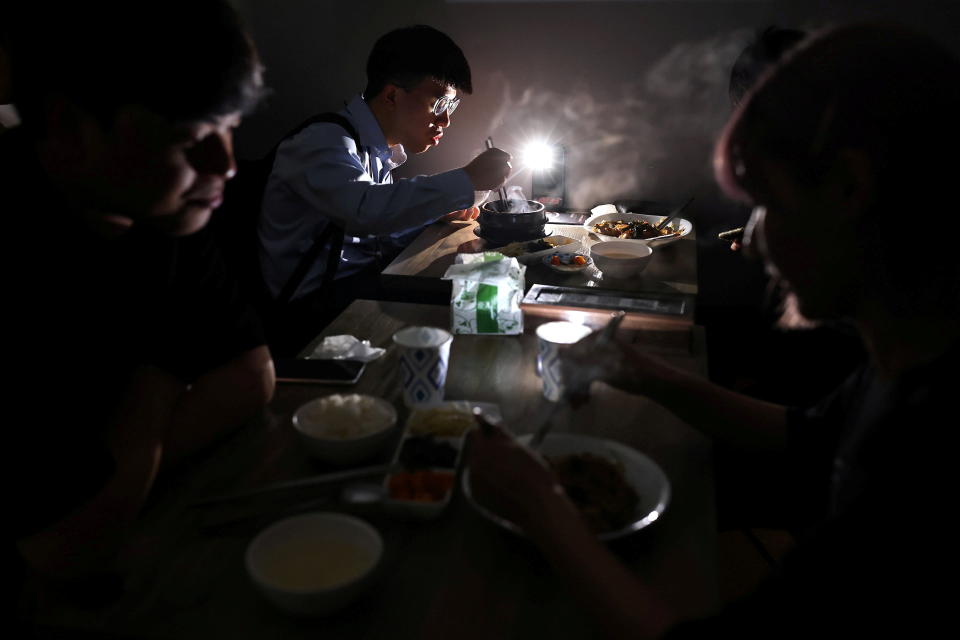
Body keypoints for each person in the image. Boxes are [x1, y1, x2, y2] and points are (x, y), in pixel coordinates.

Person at [468, 23, 959, 638]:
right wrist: (651, 376)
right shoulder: (908, 353)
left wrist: (544, 509)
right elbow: (806, 438)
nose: (750, 237)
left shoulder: (924, 440)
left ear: (848, 189)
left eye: (766, 203)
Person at [5, 0, 275, 596]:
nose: (226, 164)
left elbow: (252, 377)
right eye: (192, 137)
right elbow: (65, 547)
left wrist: (118, 471)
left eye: (228, 127)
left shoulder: (163, 211)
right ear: (71, 129)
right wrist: (167, 367)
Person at [258, 25, 511, 354]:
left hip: (352, 285)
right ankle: (483, 373)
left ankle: (483, 367)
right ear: (391, 95)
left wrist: (435, 211)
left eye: (452, 107)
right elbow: (367, 212)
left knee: (488, 276)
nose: (445, 120)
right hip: (309, 310)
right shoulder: (323, 141)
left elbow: (373, 232)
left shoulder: (374, 150)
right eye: (438, 104)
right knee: (479, 289)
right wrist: (466, 179)